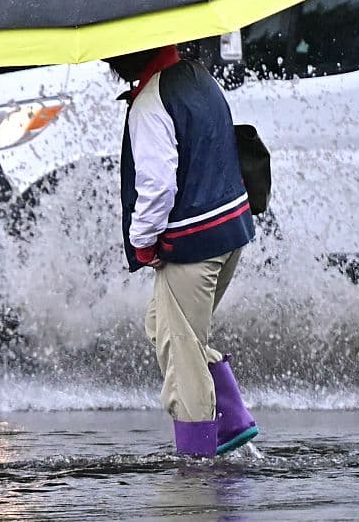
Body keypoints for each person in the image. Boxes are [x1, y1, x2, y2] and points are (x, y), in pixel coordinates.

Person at [109, 44, 260, 457]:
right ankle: (232, 423)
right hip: (230, 234)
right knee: (164, 327)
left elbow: (158, 188)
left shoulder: (150, 101)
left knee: (183, 360)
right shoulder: (198, 76)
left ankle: (197, 464)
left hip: (193, 247)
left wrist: (143, 244)